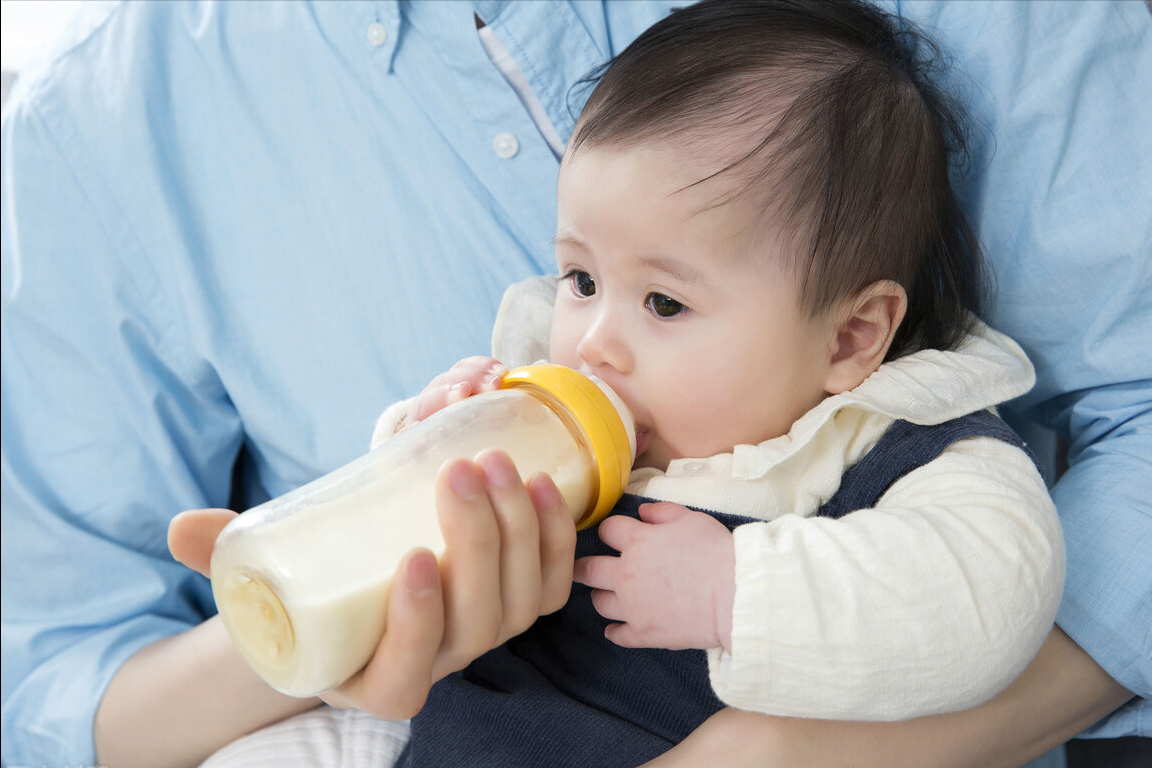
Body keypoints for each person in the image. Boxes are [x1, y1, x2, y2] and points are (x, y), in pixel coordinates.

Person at [1, 1, 1146, 767]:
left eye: (663, 303)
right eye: (578, 277)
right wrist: (418, 454)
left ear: (853, 340)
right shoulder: (94, 125)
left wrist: (738, 603)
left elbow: (982, 590)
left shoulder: (904, 447)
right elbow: (53, 678)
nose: (591, 339)